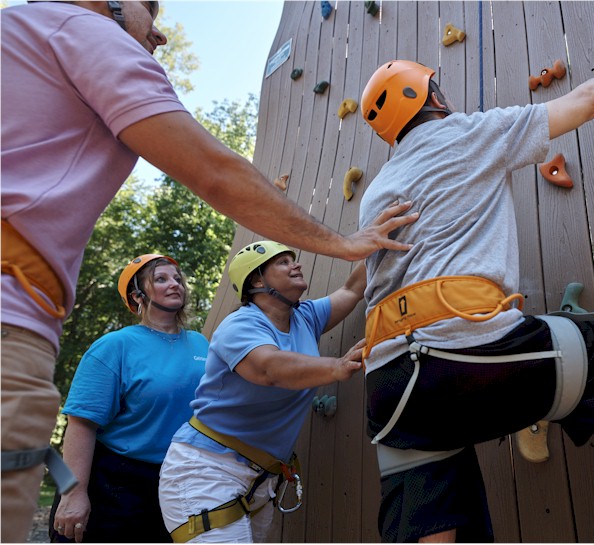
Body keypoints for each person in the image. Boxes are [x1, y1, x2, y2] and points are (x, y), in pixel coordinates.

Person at [0, 2, 417, 541]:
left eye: (177, 275)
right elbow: (263, 368)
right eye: (147, 7)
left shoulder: (248, 330)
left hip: (213, 475)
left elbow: (349, 293)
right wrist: (74, 488)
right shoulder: (142, 344)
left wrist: (373, 236)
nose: (160, 31)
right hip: (136, 477)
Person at [357, 57, 594, 542]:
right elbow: (586, 101)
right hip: (460, 353)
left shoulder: (376, 192)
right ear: (435, 98)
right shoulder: (469, 132)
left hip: (389, 384)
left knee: (434, 518)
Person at [157, 233, 376, 542]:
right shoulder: (240, 325)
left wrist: (382, 241)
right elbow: (268, 368)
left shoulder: (305, 317)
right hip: (206, 470)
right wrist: (336, 367)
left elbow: (352, 289)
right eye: (283, 262)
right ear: (257, 282)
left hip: (261, 480)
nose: (296, 265)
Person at [48, 254, 208, 543]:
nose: (175, 284)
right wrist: (74, 495)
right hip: (113, 482)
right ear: (138, 295)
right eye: (161, 279)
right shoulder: (115, 345)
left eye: (177, 278)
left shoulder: (201, 343)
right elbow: (81, 424)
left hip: (177, 481)